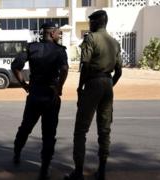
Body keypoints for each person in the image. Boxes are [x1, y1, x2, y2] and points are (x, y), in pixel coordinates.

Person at [65, 10, 122, 180]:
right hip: (107, 85)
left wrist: (80, 87)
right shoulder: (114, 42)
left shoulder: (90, 38)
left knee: (80, 130)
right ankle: (102, 171)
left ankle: (78, 172)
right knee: (104, 130)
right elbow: (119, 71)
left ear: (98, 22)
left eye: (91, 22)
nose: (89, 24)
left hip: (93, 83)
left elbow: (86, 65)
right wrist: (110, 84)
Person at [11, 22, 69, 180]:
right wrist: (60, 87)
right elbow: (64, 69)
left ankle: (17, 153)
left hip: (35, 93)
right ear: (51, 34)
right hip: (51, 95)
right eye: (58, 32)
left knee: (26, 127)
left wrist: (24, 85)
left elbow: (15, 66)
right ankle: (44, 169)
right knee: (49, 134)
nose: (59, 35)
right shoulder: (59, 50)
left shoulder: (31, 48)